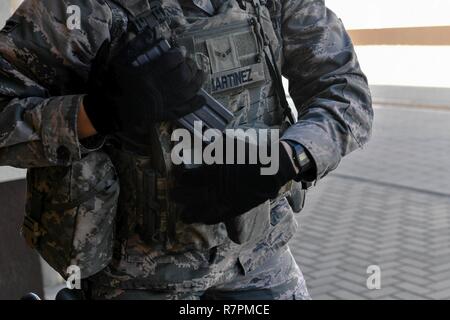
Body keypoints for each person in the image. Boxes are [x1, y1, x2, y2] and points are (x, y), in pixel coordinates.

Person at [0, 0, 373, 300]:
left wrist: (288, 158)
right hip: (133, 279)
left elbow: (343, 90)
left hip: (258, 262)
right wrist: (95, 113)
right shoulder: (74, 10)